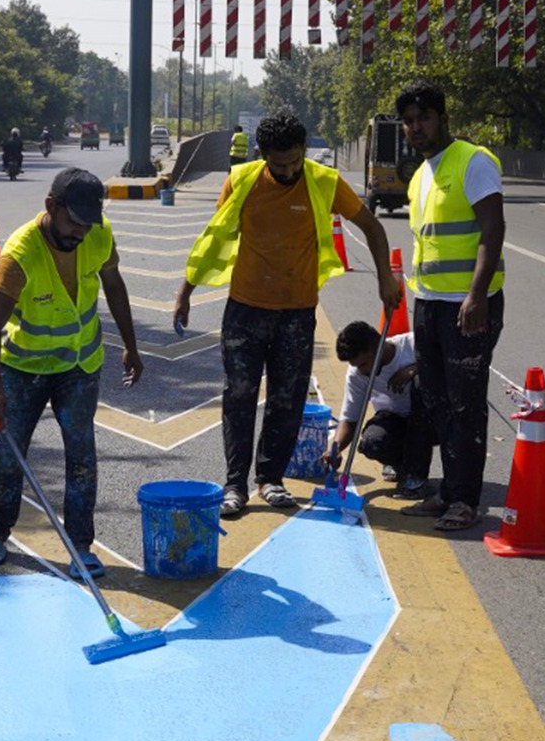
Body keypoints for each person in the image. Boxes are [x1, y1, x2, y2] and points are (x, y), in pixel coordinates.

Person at [172, 108, 399, 519]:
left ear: (303, 150)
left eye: (296, 160)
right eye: (280, 165)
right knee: (239, 395)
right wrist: (185, 291)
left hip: (296, 312)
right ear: (262, 155)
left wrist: (386, 279)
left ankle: (270, 479)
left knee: (287, 398)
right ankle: (235, 484)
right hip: (245, 310)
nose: (290, 170)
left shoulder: (324, 181)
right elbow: (214, 240)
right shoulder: (241, 181)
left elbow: (373, 227)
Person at [0, 168, 144, 576]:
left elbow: (114, 285)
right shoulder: (20, 253)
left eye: (88, 224)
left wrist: (131, 345)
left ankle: (81, 545)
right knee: (6, 455)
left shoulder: (98, 235)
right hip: (24, 368)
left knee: (81, 454)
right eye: (74, 222)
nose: (81, 233)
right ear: (51, 206)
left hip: (79, 365)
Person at [396, 80, 505, 531]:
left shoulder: (472, 161)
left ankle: (464, 500)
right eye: (409, 121)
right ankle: (448, 490)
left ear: (443, 118)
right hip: (429, 303)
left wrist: (476, 295)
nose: (416, 127)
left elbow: (493, 228)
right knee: (436, 400)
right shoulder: (420, 174)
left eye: (424, 117)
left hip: (468, 305)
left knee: (466, 404)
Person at [321, 319, 433, 497]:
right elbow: (350, 418)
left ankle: (419, 476)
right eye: (356, 366)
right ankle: (402, 464)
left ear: (377, 347)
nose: (361, 371)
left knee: (421, 382)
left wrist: (415, 369)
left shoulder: (414, 345)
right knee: (372, 442)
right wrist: (336, 448)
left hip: (431, 420)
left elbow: (446, 362)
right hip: (397, 421)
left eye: (364, 364)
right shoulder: (357, 375)